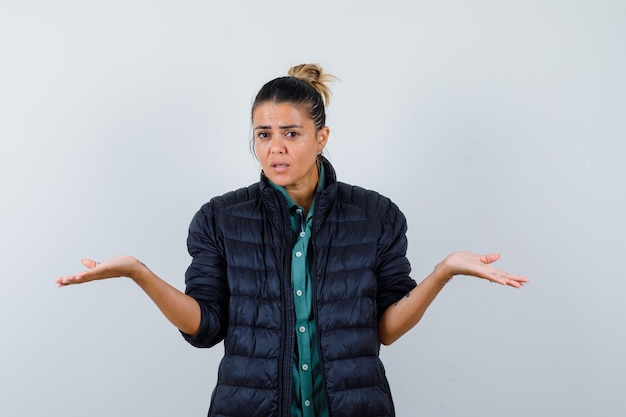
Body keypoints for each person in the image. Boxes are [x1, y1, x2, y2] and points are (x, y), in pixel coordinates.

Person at [57, 63, 528, 417]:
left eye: (291, 133)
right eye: (263, 134)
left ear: (321, 137)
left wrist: (444, 271)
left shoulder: (376, 216)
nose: (275, 147)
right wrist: (137, 272)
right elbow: (205, 328)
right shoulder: (220, 219)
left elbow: (384, 329)